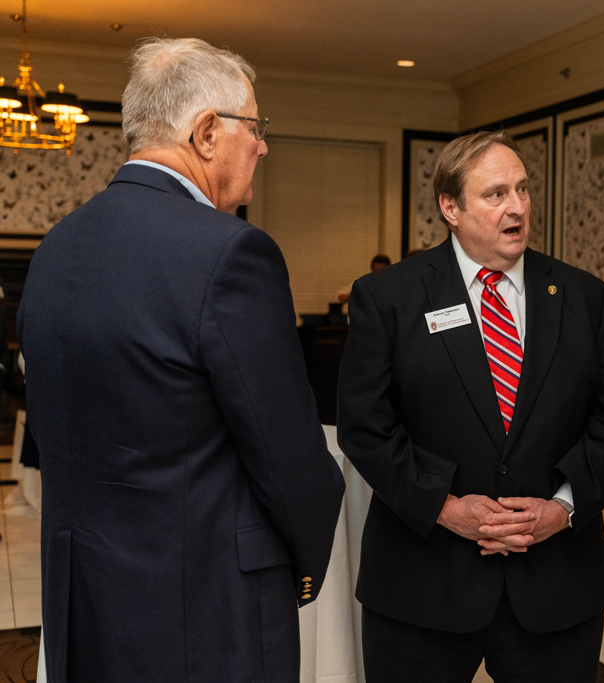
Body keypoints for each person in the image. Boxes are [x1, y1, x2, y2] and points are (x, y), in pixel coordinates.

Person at [18, 38, 345, 683]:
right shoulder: (232, 254)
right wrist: (304, 565)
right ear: (205, 133)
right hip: (204, 608)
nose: (263, 146)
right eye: (255, 126)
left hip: (84, 601)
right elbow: (288, 456)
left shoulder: (56, 247)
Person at [337, 130, 604, 683]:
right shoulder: (389, 298)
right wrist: (446, 507)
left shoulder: (584, 297)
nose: (518, 207)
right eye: (496, 194)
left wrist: (563, 507)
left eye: (523, 190)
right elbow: (365, 427)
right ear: (451, 207)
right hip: (422, 587)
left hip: (554, 586)